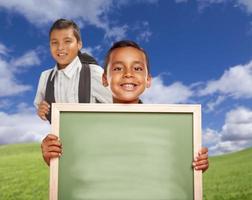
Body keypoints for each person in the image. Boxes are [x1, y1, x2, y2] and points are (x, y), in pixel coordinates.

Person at [41, 40, 209, 172]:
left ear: (148, 80)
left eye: (137, 68)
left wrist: (196, 165)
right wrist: (52, 158)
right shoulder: (85, 125)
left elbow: (172, 171)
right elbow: (75, 170)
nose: (128, 74)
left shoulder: (167, 129)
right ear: (105, 79)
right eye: (118, 68)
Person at [34, 18, 112, 122]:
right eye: (54, 42)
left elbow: (118, 107)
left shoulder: (94, 73)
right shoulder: (45, 77)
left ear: (79, 44)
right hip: (61, 137)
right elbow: (40, 108)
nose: (60, 47)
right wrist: (41, 111)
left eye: (67, 41)